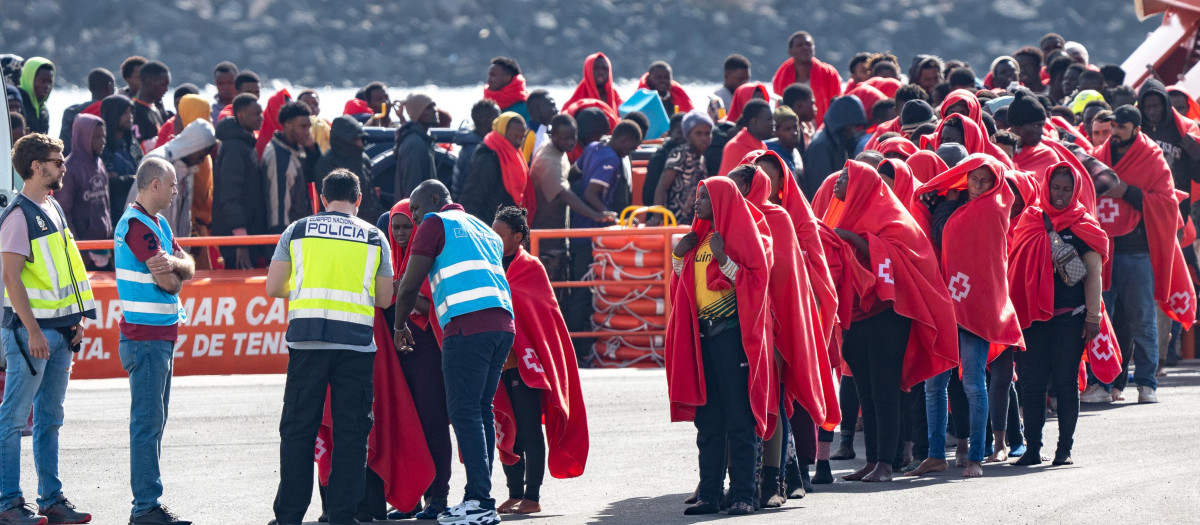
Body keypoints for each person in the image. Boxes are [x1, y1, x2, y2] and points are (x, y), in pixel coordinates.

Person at [813, 161, 958, 483]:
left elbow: (899, 257)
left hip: (889, 316)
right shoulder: (840, 213)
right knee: (866, 392)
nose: (837, 182)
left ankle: (886, 463)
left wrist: (850, 237)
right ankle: (871, 461)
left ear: (861, 185)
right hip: (856, 316)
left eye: (845, 178)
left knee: (885, 390)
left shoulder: (894, 217)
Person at [264, 169, 392, 525]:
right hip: (355, 345)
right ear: (359, 200)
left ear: (322, 199)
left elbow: (274, 287)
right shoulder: (374, 236)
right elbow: (384, 298)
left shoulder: (298, 229)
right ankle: (342, 515)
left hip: (307, 342)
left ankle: (289, 515)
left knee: (297, 430)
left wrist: (305, 288)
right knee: (352, 434)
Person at [393, 180, 514, 525]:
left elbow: (409, 285)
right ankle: (482, 496)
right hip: (502, 324)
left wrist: (399, 326)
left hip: (467, 326)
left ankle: (479, 500)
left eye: (415, 209)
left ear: (433, 199)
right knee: (480, 410)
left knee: (464, 411)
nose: (414, 218)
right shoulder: (482, 227)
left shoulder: (435, 223)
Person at [907, 154, 1025, 478]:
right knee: (934, 384)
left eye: (986, 180)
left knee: (973, 383)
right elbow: (944, 232)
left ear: (996, 182)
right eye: (973, 178)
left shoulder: (995, 210)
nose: (979, 186)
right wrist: (949, 201)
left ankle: (976, 455)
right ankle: (934, 455)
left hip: (979, 308)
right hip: (949, 304)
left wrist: (950, 202)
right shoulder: (959, 207)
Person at [0, 134, 96, 525]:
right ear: (36, 167)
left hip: (58, 332)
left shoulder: (51, 207)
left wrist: (75, 321)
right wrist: (33, 331)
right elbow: (10, 277)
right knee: (14, 420)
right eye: (57, 162)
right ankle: (8, 503)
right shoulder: (19, 215)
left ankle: (51, 499)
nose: (63, 167)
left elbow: (65, 271)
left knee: (49, 420)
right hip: (32, 336)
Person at [666, 177, 772, 516]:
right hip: (702, 340)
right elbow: (682, 291)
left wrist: (724, 257)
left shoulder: (741, 234)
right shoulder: (696, 241)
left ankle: (744, 494)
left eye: (704, 197)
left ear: (723, 201)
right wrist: (678, 257)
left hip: (733, 338)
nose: (697, 202)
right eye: (697, 196)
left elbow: (756, 280)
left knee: (740, 420)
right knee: (708, 421)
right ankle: (709, 494)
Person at [728, 164, 828, 505]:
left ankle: (773, 484)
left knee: (774, 406)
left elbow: (783, 279)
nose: (732, 192)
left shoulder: (778, 219)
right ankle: (741, 483)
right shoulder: (728, 221)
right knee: (738, 408)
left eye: (736, 185)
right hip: (735, 328)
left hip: (774, 330)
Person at [1087, 106, 1196, 404]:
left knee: (1143, 320)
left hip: (1138, 253)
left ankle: (1147, 382)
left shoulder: (1152, 159)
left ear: (1135, 129)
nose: (1115, 131)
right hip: (1104, 252)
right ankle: (1100, 382)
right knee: (1100, 320)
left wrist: (1127, 193)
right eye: (1113, 126)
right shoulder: (1098, 157)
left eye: (1121, 127)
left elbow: (1167, 203)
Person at [490, 206, 589, 516]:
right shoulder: (487, 265)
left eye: (498, 234)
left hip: (525, 363)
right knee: (506, 428)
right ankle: (514, 493)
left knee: (529, 429)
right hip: (496, 363)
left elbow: (544, 319)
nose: (491, 238)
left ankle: (532, 496)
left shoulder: (530, 268)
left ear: (517, 237)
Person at [112, 158, 196, 525]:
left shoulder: (158, 223)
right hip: (145, 338)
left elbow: (187, 268)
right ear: (155, 185)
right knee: (147, 424)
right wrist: (177, 271)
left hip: (159, 336)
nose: (177, 191)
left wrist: (176, 269)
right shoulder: (137, 225)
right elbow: (170, 282)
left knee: (154, 422)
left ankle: (148, 503)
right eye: (173, 184)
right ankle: (145, 506)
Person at [1008, 163, 1107, 466]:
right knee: (1032, 383)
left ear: (1075, 190)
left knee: (1065, 382)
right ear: (1046, 187)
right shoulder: (1029, 219)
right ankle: (1033, 448)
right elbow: (1013, 266)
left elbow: (1093, 275)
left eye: (1066, 189)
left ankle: (1064, 449)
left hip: (1071, 317)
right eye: (1056, 188)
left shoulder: (1084, 225)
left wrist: (1093, 318)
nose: (1061, 195)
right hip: (1033, 320)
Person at [379, 199, 451, 521]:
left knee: (433, 424)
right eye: (396, 226)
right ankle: (413, 497)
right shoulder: (389, 258)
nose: (401, 233)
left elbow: (432, 307)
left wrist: (400, 291)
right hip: (399, 355)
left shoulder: (429, 258)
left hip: (426, 351)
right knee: (406, 425)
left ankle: (439, 497)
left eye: (408, 226)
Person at [528, 114, 614, 275]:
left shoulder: (556, 150)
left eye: (573, 136)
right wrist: (595, 215)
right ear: (553, 136)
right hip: (548, 239)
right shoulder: (549, 159)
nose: (571, 142)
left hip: (556, 235)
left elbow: (569, 175)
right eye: (565, 138)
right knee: (554, 284)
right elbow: (564, 194)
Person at [135, 119, 218, 238]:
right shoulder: (158, 161)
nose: (201, 161)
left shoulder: (186, 167)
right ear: (193, 146)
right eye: (201, 155)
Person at [212, 93, 265, 270]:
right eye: (256, 113)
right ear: (241, 115)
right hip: (237, 238)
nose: (261, 117)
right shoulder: (234, 148)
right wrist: (240, 240)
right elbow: (230, 194)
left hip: (246, 233)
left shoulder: (245, 143)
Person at [57, 113, 113, 271]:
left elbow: (106, 205)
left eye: (103, 136)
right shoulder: (69, 169)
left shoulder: (99, 163)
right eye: (96, 137)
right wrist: (80, 252)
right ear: (83, 137)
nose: (102, 142)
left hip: (104, 247)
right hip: (84, 251)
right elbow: (63, 214)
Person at [461, 112, 537, 223]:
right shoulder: (488, 156)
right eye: (515, 136)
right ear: (503, 132)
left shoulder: (514, 154)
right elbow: (473, 196)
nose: (518, 142)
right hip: (489, 224)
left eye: (522, 137)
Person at [263, 101, 322, 233]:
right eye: (302, 127)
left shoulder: (295, 150)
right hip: (286, 236)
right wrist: (280, 240)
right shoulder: (279, 156)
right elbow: (278, 205)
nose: (307, 132)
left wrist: (312, 149)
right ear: (288, 125)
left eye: (309, 127)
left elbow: (313, 175)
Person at [314, 115, 379, 222]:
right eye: (355, 139)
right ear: (342, 141)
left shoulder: (363, 159)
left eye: (361, 139)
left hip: (368, 223)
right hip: (338, 224)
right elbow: (326, 200)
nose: (360, 144)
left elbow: (372, 195)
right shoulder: (326, 163)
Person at [772, 31, 842, 126]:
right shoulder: (781, 76)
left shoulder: (829, 74)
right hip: (793, 130)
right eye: (799, 45)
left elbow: (837, 105)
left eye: (808, 44)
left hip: (825, 128)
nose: (805, 48)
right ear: (790, 51)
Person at [654, 110, 712, 224]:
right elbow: (662, 186)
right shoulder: (680, 153)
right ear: (688, 135)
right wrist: (658, 216)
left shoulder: (701, 158)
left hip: (692, 222)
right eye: (698, 133)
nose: (704, 138)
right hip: (675, 221)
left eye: (707, 133)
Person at [802, 95, 866, 198]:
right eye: (851, 126)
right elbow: (821, 189)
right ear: (842, 126)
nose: (854, 131)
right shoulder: (821, 147)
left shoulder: (837, 142)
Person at [101, 94, 143, 223]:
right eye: (125, 112)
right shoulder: (101, 146)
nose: (129, 117)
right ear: (113, 114)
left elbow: (142, 175)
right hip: (111, 215)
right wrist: (132, 180)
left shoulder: (133, 144)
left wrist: (124, 180)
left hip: (134, 213)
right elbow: (103, 183)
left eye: (131, 112)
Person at [451, 100, 500, 200]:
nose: (500, 120)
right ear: (483, 119)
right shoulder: (475, 150)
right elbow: (472, 188)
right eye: (497, 116)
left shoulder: (475, 144)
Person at [394, 93, 439, 202]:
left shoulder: (422, 139)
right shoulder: (414, 144)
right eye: (428, 108)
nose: (434, 110)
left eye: (434, 106)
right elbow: (412, 186)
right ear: (417, 113)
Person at [59, 68, 115, 155]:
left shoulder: (70, 112)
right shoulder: (111, 111)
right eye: (113, 87)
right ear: (108, 87)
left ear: (90, 88)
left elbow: (64, 146)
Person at [718, 100, 774, 177]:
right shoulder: (734, 147)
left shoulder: (762, 145)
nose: (773, 123)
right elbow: (727, 185)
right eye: (769, 119)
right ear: (753, 122)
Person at [643, 113, 685, 206]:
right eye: (679, 132)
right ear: (670, 133)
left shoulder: (692, 156)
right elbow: (648, 194)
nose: (683, 137)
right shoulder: (660, 157)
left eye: (686, 133)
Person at [132, 61, 170, 152]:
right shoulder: (133, 111)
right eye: (163, 85)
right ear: (148, 81)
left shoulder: (157, 109)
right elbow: (138, 147)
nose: (166, 89)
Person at [483, 57, 530, 124]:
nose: (488, 80)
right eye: (489, 75)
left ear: (507, 78)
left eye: (493, 76)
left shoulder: (527, 108)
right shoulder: (485, 106)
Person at [17, 57, 53, 135]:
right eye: (42, 81)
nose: (47, 86)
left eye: (50, 82)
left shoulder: (43, 112)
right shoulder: (17, 105)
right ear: (30, 80)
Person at [766, 106, 804, 174]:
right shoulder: (772, 158)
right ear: (776, 132)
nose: (794, 132)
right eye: (787, 129)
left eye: (795, 127)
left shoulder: (794, 152)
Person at [525, 90, 557, 155]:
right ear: (537, 108)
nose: (556, 110)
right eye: (552, 105)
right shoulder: (531, 136)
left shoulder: (545, 134)